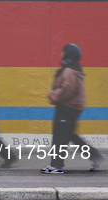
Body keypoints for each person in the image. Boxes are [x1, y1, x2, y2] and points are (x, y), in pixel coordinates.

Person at [42, 44, 105, 173]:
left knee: (60, 137)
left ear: (68, 54)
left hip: (67, 107)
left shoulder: (69, 70)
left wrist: (52, 96)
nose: (61, 53)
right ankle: (94, 155)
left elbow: (67, 89)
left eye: (63, 51)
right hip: (70, 107)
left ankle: (57, 166)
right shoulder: (71, 68)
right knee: (68, 135)